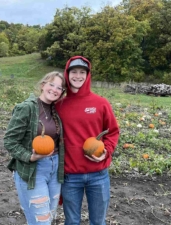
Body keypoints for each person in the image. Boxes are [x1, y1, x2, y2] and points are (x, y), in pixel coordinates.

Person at [55, 56, 120, 225]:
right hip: (70, 176)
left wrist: (106, 151)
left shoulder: (100, 103)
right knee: (72, 221)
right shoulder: (59, 105)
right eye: (73, 72)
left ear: (88, 75)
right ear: (67, 75)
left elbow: (112, 131)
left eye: (82, 72)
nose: (78, 76)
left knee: (98, 222)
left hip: (98, 174)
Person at [4, 71, 66, 225]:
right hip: (33, 170)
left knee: (49, 217)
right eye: (51, 84)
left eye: (59, 88)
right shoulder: (26, 108)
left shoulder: (55, 110)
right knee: (41, 221)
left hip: (54, 169)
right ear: (43, 85)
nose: (54, 89)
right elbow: (10, 141)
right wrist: (29, 156)